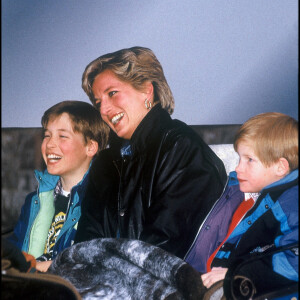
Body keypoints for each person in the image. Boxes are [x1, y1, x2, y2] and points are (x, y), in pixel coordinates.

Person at [74, 46, 227, 259]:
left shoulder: (181, 148)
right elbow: (85, 244)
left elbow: (162, 249)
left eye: (112, 93)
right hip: (103, 286)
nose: (103, 111)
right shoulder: (106, 164)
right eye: (98, 102)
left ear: (147, 89)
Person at [185, 112, 298, 297]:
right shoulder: (251, 197)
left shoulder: (291, 202)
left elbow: (294, 260)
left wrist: (237, 274)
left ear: (280, 167)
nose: (237, 168)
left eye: (249, 160)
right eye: (239, 158)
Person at [6, 100, 108, 272]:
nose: (50, 144)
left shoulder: (102, 201)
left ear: (90, 147)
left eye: (62, 136)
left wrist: (32, 268)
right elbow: (14, 249)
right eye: (47, 135)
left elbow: (94, 261)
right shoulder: (34, 200)